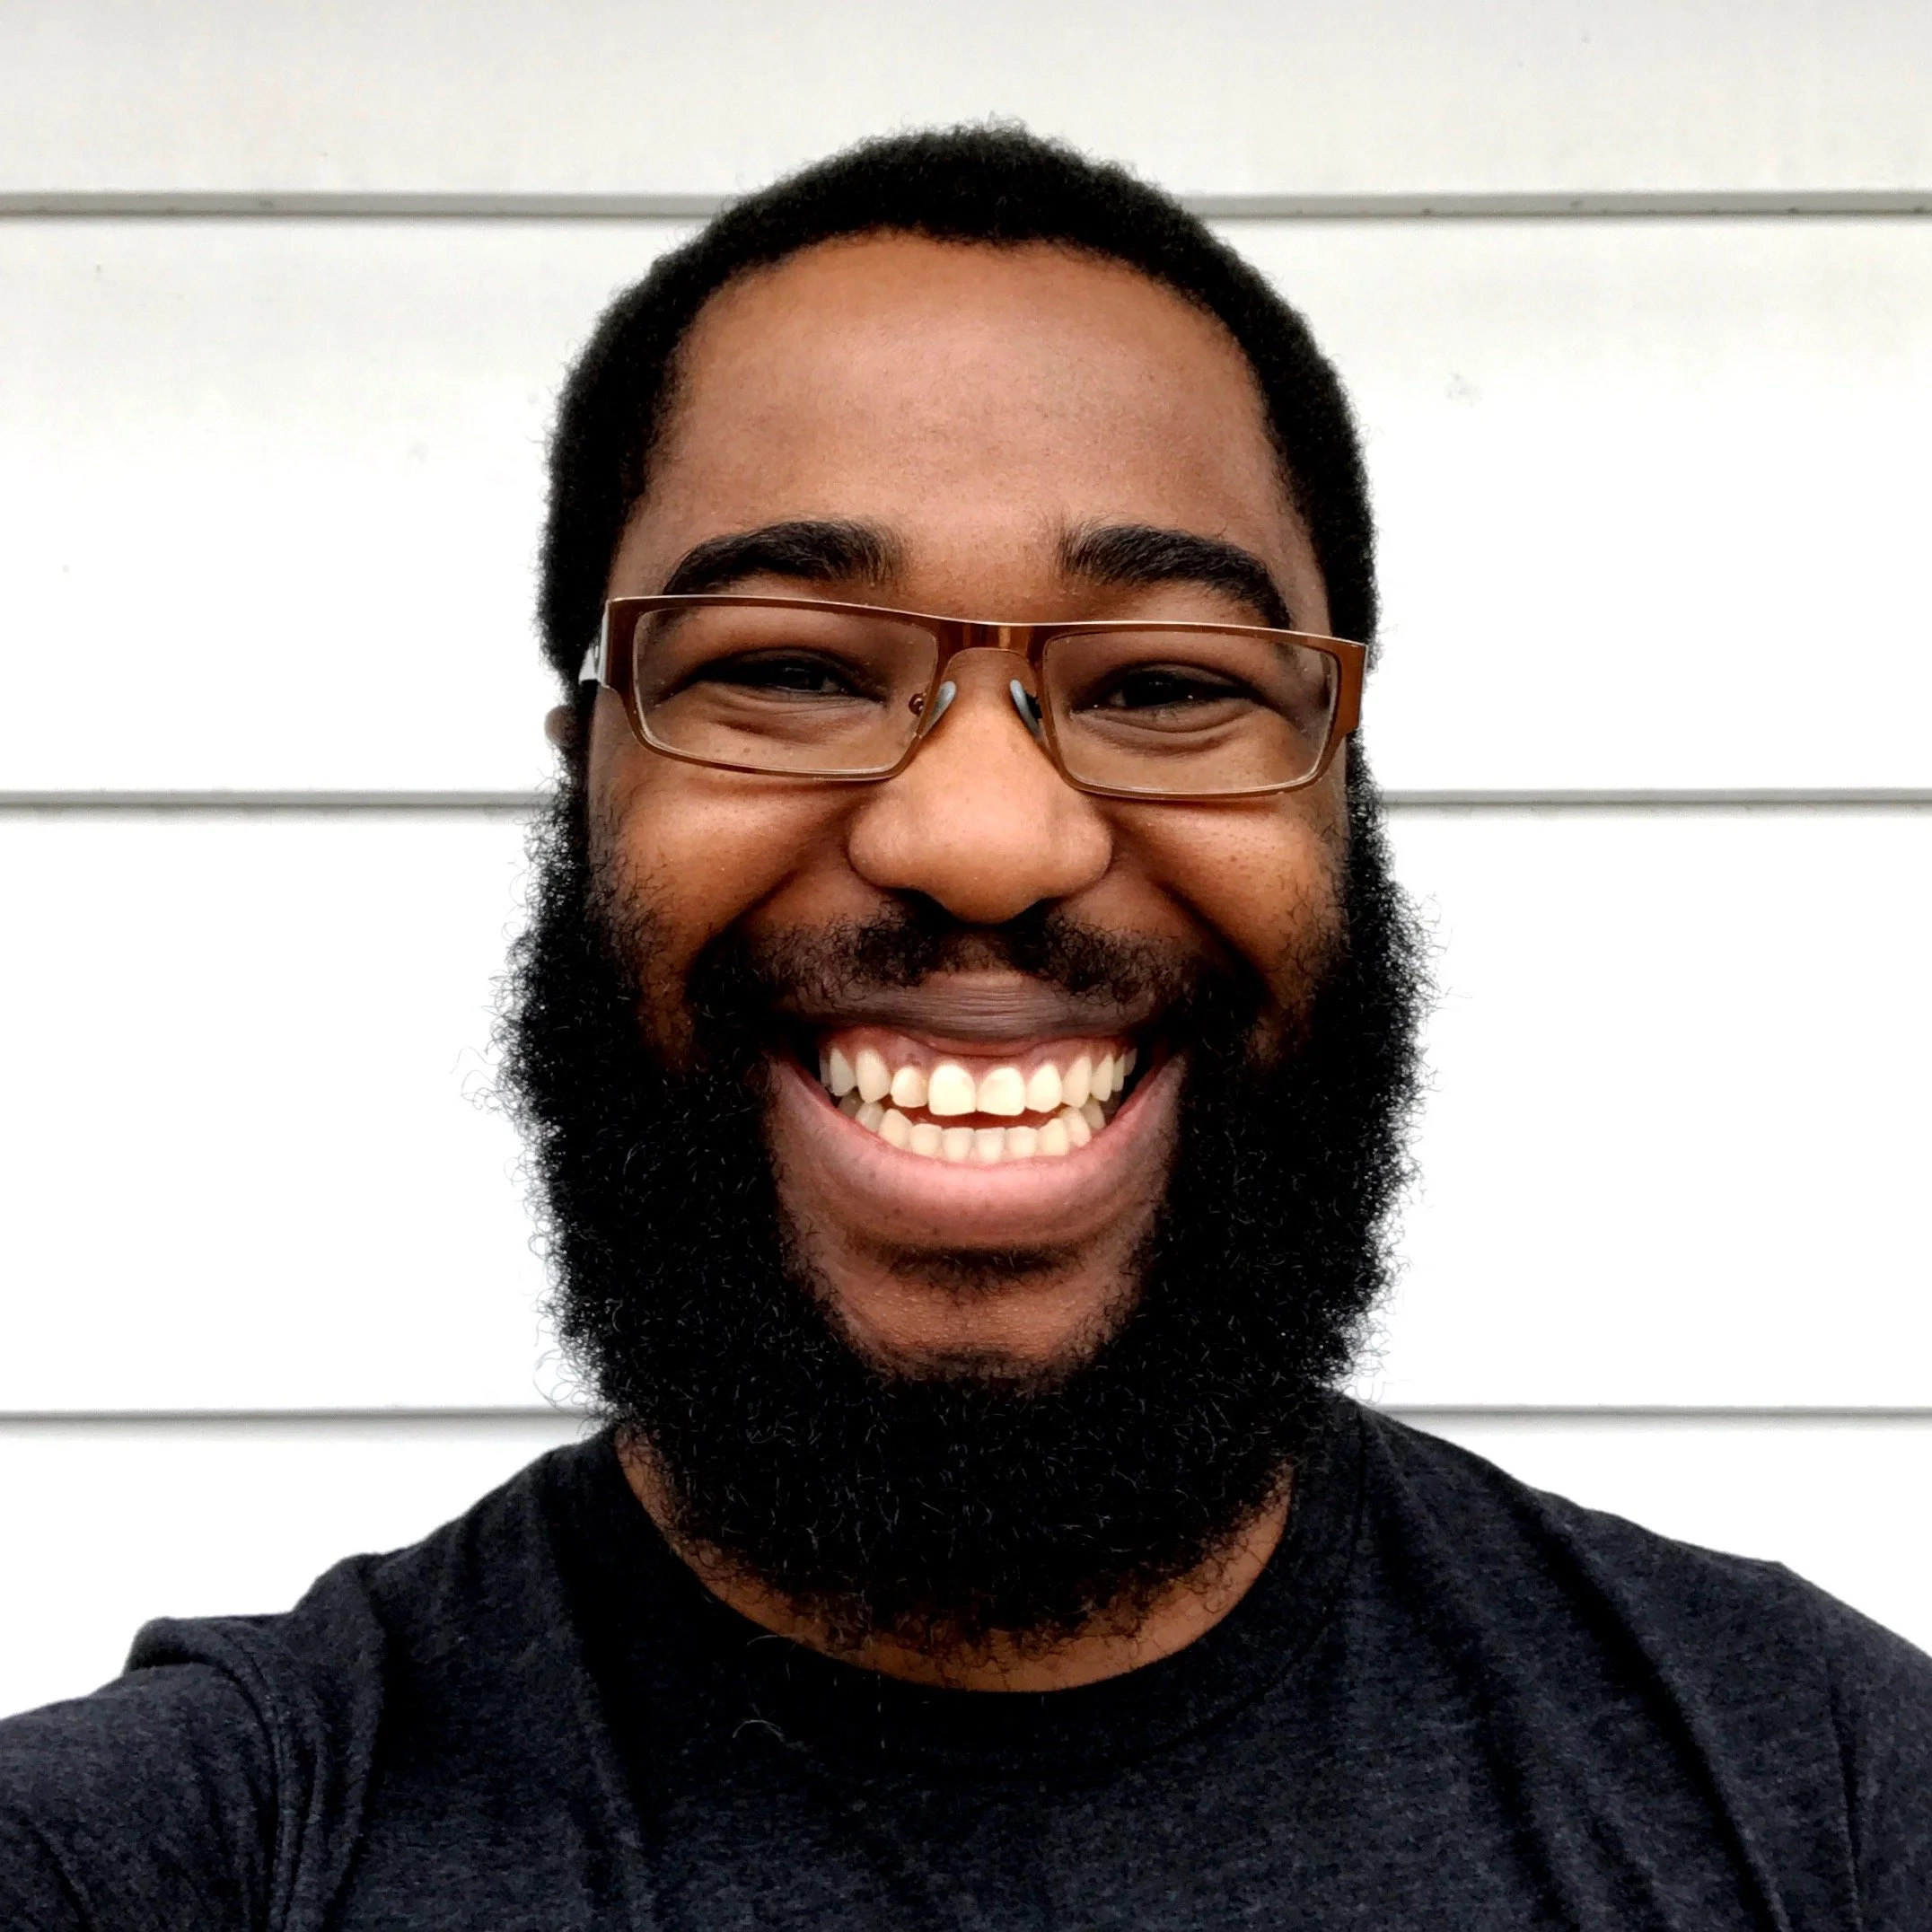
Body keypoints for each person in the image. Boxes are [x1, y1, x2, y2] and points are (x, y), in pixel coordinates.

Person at [3, 125, 1926, 1930]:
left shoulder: (1827, 1803)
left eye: (1168, 681)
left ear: (1341, 793)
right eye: (781, 667)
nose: (982, 836)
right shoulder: (190, 1848)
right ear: (580, 780)